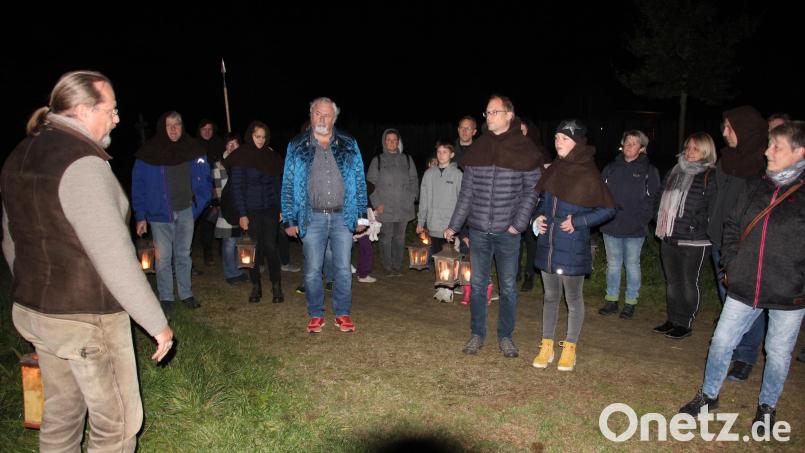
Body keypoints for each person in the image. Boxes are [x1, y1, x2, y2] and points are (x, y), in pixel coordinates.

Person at [1, 70, 173, 452]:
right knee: (117, 426)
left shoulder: (21, 153)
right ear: (82, 110)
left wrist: (30, 289)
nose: (116, 118)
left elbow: (11, 239)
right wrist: (156, 323)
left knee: (61, 415)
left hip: (37, 311)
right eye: (110, 110)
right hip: (87, 318)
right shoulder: (82, 163)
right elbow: (112, 253)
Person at [679, 121, 805, 434]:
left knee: (777, 353)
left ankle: (766, 408)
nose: (767, 152)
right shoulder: (757, 185)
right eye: (768, 145)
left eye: (776, 147)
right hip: (745, 283)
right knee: (721, 342)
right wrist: (732, 264)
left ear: (799, 152)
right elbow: (733, 225)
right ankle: (708, 396)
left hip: (790, 292)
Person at [444, 94, 543, 358]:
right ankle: (477, 334)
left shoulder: (524, 149)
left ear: (509, 115)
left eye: (494, 112)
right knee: (477, 284)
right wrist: (454, 225)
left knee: (508, 286)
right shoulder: (479, 148)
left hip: (507, 232)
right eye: (486, 112)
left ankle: (506, 336)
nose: (488, 116)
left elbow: (532, 191)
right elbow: (467, 193)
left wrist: (518, 224)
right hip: (478, 230)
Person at [531, 120, 616, 371]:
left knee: (573, 298)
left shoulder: (588, 172)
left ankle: (570, 347)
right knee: (550, 296)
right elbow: (541, 201)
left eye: (564, 139)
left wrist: (579, 221)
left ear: (577, 143)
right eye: (557, 138)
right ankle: (546, 345)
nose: (558, 143)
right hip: (549, 242)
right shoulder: (554, 168)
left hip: (573, 244)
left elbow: (608, 209)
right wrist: (538, 217)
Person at [282, 97, 368, 333]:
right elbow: (288, 184)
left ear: (334, 118)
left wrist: (361, 216)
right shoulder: (297, 145)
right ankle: (316, 313)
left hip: (343, 216)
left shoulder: (349, 143)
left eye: (326, 115)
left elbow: (360, 181)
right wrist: (289, 218)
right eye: (317, 114)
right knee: (311, 270)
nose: (321, 118)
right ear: (310, 116)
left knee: (342, 269)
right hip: (312, 217)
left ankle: (342, 313)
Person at [706, 107, 769, 380]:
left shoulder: (761, 166)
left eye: (729, 127)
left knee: (746, 301)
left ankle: (745, 356)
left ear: (744, 129)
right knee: (726, 297)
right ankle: (730, 346)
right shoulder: (726, 159)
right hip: (719, 238)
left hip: (745, 244)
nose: (724, 132)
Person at [132, 111, 212, 312]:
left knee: (184, 254)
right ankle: (166, 297)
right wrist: (141, 215)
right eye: (169, 125)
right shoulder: (148, 153)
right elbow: (138, 186)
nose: (174, 129)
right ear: (162, 127)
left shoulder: (193, 150)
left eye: (177, 124)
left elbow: (205, 182)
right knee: (164, 257)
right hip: (159, 214)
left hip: (186, 210)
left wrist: (196, 207)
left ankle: (186, 293)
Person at [652, 132, 718, 339]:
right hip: (669, 235)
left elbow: (713, 209)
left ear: (706, 152)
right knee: (672, 282)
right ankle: (672, 319)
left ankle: (685, 322)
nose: (690, 152)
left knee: (689, 282)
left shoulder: (710, 175)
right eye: (688, 147)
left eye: (695, 149)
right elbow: (659, 197)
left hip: (694, 239)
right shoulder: (675, 171)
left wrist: (696, 225)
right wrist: (659, 219)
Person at [597, 130, 661, 319]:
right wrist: (604, 215)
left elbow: (654, 199)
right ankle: (611, 300)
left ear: (642, 148)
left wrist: (643, 219)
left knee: (632, 264)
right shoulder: (610, 168)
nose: (629, 145)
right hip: (611, 226)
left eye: (634, 143)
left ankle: (631, 302)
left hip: (635, 227)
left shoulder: (649, 170)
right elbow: (602, 193)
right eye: (627, 142)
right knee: (613, 264)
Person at [226, 121, 285, 303]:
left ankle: (276, 285)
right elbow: (237, 187)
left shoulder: (271, 156)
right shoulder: (241, 156)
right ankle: (256, 286)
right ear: (250, 136)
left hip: (270, 208)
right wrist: (242, 214)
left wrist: (281, 207)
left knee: (270, 247)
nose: (260, 140)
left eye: (263, 137)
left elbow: (278, 183)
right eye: (257, 136)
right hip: (250, 210)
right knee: (253, 249)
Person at [366, 128, 419, 277]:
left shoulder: (407, 159)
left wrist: (412, 197)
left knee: (400, 238)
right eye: (389, 140)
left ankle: (397, 267)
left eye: (394, 140)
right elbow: (370, 184)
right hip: (385, 207)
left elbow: (414, 180)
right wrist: (377, 204)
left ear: (398, 142)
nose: (392, 142)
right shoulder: (378, 160)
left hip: (403, 206)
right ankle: (388, 267)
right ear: (384, 142)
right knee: (385, 238)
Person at [416, 142, 462, 298]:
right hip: (434, 223)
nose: (441, 154)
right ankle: (441, 284)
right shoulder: (429, 174)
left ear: (452, 154)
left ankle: (449, 288)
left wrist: (458, 224)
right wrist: (420, 222)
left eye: (445, 151)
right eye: (439, 152)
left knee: (450, 256)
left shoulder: (458, 175)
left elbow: (462, 201)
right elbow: (424, 199)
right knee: (437, 256)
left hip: (450, 226)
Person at [213, 132, 249, 285]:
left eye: (235, 143)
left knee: (239, 240)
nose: (232, 146)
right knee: (229, 242)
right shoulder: (219, 164)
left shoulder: (245, 162)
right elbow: (220, 190)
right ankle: (230, 273)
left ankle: (239, 270)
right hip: (228, 208)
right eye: (229, 143)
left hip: (242, 208)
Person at [197, 119, 224, 266]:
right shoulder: (194, 147)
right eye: (204, 129)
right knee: (206, 222)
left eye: (210, 129)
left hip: (219, 188)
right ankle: (207, 253)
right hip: (202, 191)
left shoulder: (219, 144)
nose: (207, 132)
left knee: (220, 220)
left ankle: (222, 249)